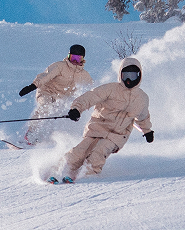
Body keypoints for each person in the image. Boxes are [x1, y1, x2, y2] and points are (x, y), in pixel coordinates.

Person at [50, 56, 153, 184]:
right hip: (97, 129)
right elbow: (91, 96)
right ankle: (57, 171)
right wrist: (77, 108)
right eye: (126, 75)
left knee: (98, 153)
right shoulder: (110, 89)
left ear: (139, 76)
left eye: (132, 76)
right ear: (120, 74)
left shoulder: (142, 98)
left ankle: (86, 176)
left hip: (117, 136)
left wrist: (147, 131)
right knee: (78, 152)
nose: (128, 80)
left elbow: (143, 116)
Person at [18, 44, 94, 146]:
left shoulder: (85, 75)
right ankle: (31, 133)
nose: (75, 61)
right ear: (68, 56)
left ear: (82, 59)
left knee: (65, 114)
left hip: (61, 98)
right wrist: (33, 86)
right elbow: (45, 76)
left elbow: (92, 91)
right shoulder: (60, 66)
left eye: (78, 58)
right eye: (72, 57)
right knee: (46, 106)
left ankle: (46, 137)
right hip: (46, 91)